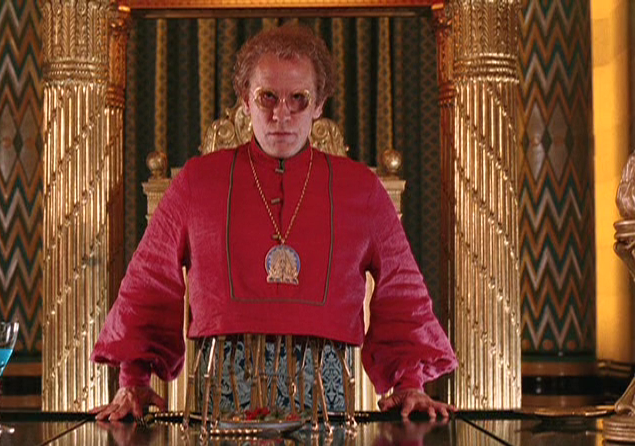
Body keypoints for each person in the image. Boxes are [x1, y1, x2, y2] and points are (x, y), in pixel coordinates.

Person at [90, 23, 457, 422]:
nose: (281, 114)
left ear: (319, 104)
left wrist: (409, 384)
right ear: (245, 100)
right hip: (222, 410)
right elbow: (148, 283)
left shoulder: (361, 189)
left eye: (298, 99)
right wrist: (133, 380)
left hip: (326, 412)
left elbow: (402, 291)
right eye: (267, 97)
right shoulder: (197, 181)